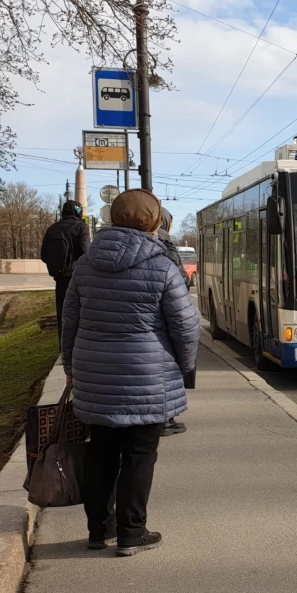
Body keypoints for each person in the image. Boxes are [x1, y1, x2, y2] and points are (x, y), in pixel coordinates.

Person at [60, 189, 199, 556]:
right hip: (148, 378)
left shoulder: (86, 264)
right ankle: (131, 534)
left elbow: (69, 320)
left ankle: (97, 530)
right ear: (154, 221)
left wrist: (71, 367)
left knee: (101, 451)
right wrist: (183, 367)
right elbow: (186, 327)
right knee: (139, 454)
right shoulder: (162, 267)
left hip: (94, 376)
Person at [156, 208, 188, 437]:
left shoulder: (94, 255)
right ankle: (165, 419)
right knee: (162, 372)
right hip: (159, 325)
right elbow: (181, 284)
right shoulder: (166, 247)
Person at [39, 200, 90, 340]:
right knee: (79, 313)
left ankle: (63, 348)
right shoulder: (81, 228)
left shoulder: (52, 228)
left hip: (60, 278)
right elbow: (86, 253)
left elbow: (43, 255)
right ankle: (77, 346)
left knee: (63, 313)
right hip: (77, 277)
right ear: (79, 212)